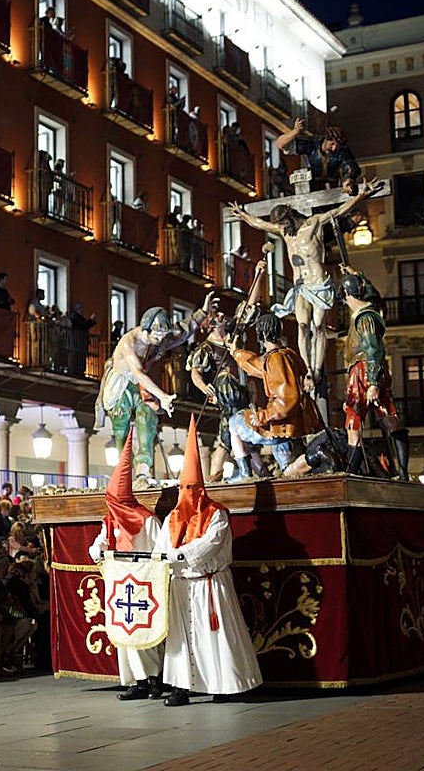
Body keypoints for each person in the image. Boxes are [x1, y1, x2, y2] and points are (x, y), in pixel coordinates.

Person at [227, 180, 379, 389]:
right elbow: (261, 224)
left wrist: (361, 195)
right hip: (300, 286)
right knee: (302, 326)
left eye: (282, 222)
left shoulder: (313, 223)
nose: (281, 227)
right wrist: (243, 215)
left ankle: (317, 370)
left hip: (319, 284)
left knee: (318, 327)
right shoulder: (285, 233)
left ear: (290, 213)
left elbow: (338, 210)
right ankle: (307, 369)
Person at [156, 416, 262, 706]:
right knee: (182, 639)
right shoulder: (172, 518)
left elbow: (210, 544)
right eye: (183, 488)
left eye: (192, 488)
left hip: (209, 584)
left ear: (201, 489)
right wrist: (163, 558)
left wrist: (180, 554)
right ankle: (180, 686)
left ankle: (223, 684)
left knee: (214, 636)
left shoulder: (217, 514)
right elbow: (162, 546)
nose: (187, 494)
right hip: (181, 586)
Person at [96, 298, 212, 484]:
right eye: (156, 336)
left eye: (162, 337)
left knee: (147, 417)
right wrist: (163, 396)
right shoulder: (129, 342)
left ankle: (143, 472)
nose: (160, 341)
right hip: (120, 386)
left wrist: (203, 312)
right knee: (121, 427)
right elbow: (139, 374)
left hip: (139, 386)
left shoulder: (158, 338)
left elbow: (182, 331)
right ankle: (122, 473)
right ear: (146, 329)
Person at [87, 434, 165, 701]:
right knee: (125, 632)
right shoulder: (109, 520)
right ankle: (134, 681)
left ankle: (154, 678)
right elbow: (97, 544)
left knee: (145, 629)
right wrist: (98, 551)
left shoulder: (148, 520)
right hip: (120, 584)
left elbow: (160, 550)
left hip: (145, 582)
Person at [228, 313, 323, 481]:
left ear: (262, 334)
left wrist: (263, 416)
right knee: (287, 470)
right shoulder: (287, 354)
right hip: (294, 423)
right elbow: (255, 366)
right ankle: (309, 461)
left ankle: (245, 475)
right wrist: (236, 352)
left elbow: (287, 399)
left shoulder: (275, 359)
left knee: (235, 422)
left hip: (282, 424)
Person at [340, 269, 409, 480]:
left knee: (354, 423)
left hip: (363, 370)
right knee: (389, 418)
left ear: (349, 295)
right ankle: (403, 472)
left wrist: (372, 382)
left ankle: (351, 474)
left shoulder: (364, 319)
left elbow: (372, 349)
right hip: (372, 370)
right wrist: (360, 275)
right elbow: (374, 295)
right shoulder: (373, 309)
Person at [188, 314, 260, 482]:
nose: (222, 315)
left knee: (245, 437)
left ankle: (258, 474)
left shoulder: (233, 337)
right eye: (218, 316)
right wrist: (203, 386)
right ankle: (216, 478)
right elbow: (195, 372)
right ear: (212, 325)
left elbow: (247, 308)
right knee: (227, 439)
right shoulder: (207, 348)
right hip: (228, 397)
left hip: (243, 395)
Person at [275, 118, 362, 194]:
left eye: (337, 146)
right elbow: (280, 144)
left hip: (334, 190)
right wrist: (295, 132)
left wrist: (348, 179)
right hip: (311, 189)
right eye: (332, 144)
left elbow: (352, 166)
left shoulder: (342, 151)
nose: (334, 148)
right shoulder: (312, 144)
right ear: (326, 140)